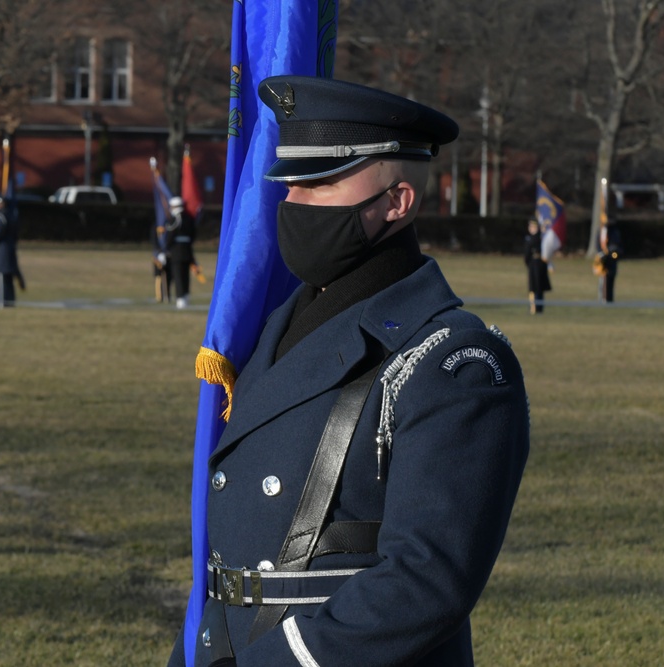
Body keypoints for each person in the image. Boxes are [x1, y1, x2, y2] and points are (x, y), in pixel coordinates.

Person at [168, 76, 530, 667]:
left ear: (397, 202)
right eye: (290, 186)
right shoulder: (278, 328)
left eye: (322, 183)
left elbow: (426, 581)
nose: (295, 205)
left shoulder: (455, 362)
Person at [0, 196, 21, 307]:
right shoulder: (12, 217)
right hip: (10, 252)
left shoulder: (1, 218)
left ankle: (2, 304)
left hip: (1, 254)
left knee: (2, 280)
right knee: (9, 280)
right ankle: (10, 303)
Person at [166, 195, 196, 309]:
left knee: (178, 275)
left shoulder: (175, 219)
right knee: (185, 275)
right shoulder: (189, 217)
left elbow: (170, 235)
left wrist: (165, 248)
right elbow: (193, 234)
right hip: (187, 250)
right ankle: (186, 295)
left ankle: (180, 298)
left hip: (176, 251)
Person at [524, 218, 551, 314]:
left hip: (535, 264)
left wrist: (528, 262)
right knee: (539, 287)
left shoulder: (532, 239)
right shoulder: (542, 237)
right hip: (541, 263)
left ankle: (535, 308)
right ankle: (539, 307)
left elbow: (527, 254)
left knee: (536, 287)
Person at [596, 216, 621, 303]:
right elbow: (598, 243)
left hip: (612, 258)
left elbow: (617, 245)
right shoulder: (602, 232)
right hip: (603, 258)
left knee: (611, 277)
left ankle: (609, 299)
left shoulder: (615, 232)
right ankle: (602, 298)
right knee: (603, 279)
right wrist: (601, 253)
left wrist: (613, 251)